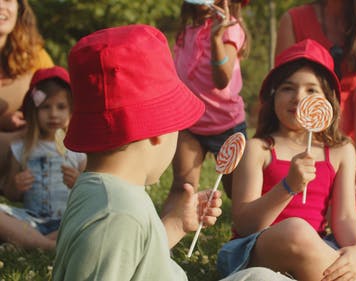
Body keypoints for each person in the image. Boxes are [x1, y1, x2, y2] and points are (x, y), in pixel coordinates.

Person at [52, 24, 294, 281]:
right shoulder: (117, 213)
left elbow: (136, 258)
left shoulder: (102, 192)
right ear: (156, 133)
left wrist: (176, 224)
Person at [218, 39, 356, 281]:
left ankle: (351, 274)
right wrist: (288, 187)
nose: (299, 97)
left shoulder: (340, 151)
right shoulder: (259, 149)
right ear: (273, 96)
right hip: (259, 250)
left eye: (311, 90)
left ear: (327, 100)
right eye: (287, 88)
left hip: (318, 249)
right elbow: (245, 225)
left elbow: (345, 217)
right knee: (296, 230)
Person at [275, 0, 356, 223]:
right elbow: (283, 88)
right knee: (313, 224)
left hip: (355, 141)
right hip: (306, 140)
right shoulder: (293, 20)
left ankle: (349, 257)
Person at [167, 0, 250, 200]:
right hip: (190, 124)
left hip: (226, 124)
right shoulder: (187, 29)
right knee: (183, 186)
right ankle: (172, 225)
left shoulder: (229, 28)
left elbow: (222, 80)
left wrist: (216, 39)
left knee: (237, 192)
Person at [0, 66, 85, 250]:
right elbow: (11, 194)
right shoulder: (21, 149)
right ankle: (50, 244)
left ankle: (34, 242)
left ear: (72, 110)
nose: (53, 114)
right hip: (32, 220)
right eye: (46, 107)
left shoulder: (78, 149)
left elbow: (90, 191)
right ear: (33, 111)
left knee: (93, 216)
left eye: (61, 107)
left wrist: (78, 182)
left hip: (67, 218)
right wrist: (16, 185)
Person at [0, 0, 54, 193]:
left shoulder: (34, 56)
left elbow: (57, 97)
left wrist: (32, 114)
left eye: (7, 0)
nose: (1, 6)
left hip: (28, 142)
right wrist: (4, 120)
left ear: (19, 7)